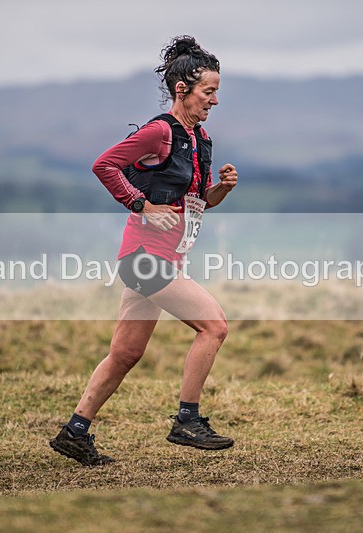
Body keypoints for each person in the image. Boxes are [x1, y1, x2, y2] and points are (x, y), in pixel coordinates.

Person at [50, 35, 238, 466]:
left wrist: (220, 190)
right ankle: (187, 420)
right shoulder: (159, 132)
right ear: (182, 90)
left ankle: (74, 431)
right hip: (144, 259)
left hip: (163, 260)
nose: (214, 100)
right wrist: (141, 206)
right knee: (215, 327)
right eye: (209, 92)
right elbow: (104, 165)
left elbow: (195, 203)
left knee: (125, 354)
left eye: (216, 92)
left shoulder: (199, 138)